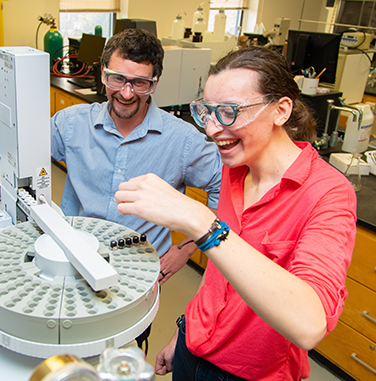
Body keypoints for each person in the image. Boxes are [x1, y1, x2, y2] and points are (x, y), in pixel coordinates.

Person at [114, 47, 357, 380]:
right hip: (192, 346)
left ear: (281, 110)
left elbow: (309, 324)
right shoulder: (237, 167)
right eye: (208, 112)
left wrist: (200, 221)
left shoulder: (328, 194)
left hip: (249, 373)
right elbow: (220, 275)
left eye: (229, 112)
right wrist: (185, 331)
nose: (212, 129)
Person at [0, 28, 222, 285]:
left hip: (141, 272)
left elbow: (226, 187)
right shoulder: (73, 123)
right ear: (103, 74)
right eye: (117, 78)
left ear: (154, 84)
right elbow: (24, 144)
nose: (126, 93)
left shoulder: (183, 140)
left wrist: (186, 249)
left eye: (139, 83)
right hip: (72, 260)